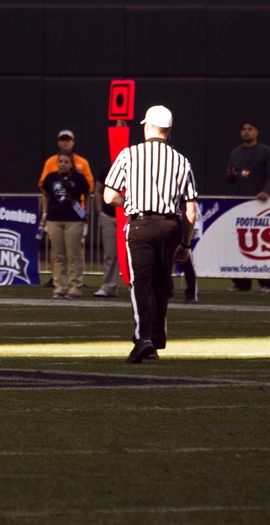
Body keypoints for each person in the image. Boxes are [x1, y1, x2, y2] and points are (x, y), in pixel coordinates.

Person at [103, 105, 198, 364]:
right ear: (169, 130)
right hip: (170, 226)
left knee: (140, 283)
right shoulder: (181, 160)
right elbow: (190, 209)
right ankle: (156, 338)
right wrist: (185, 243)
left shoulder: (129, 154)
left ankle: (142, 338)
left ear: (147, 126)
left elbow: (110, 196)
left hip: (141, 225)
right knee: (161, 283)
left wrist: (132, 201)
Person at [225, 120, 270, 293]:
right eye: (244, 129)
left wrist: (266, 192)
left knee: (261, 245)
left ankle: (266, 283)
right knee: (239, 243)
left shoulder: (265, 152)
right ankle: (241, 283)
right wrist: (231, 175)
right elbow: (230, 178)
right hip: (240, 203)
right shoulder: (236, 152)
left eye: (250, 129)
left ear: (256, 132)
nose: (246, 132)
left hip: (260, 204)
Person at [39, 129, 94, 288]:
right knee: (58, 253)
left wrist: (86, 213)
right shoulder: (50, 164)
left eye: (67, 139)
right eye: (62, 139)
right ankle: (58, 283)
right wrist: (45, 213)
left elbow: (88, 188)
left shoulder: (81, 164)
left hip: (75, 214)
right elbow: (45, 191)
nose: (65, 142)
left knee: (74, 252)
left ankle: (75, 283)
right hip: (55, 215)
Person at [93, 164, 119, 298]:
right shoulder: (107, 170)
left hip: (129, 217)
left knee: (136, 255)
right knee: (110, 254)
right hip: (109, 216)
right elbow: (98, 191)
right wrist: (100, 211)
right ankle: (108, 286)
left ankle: (138, 287)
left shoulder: (136, 168)